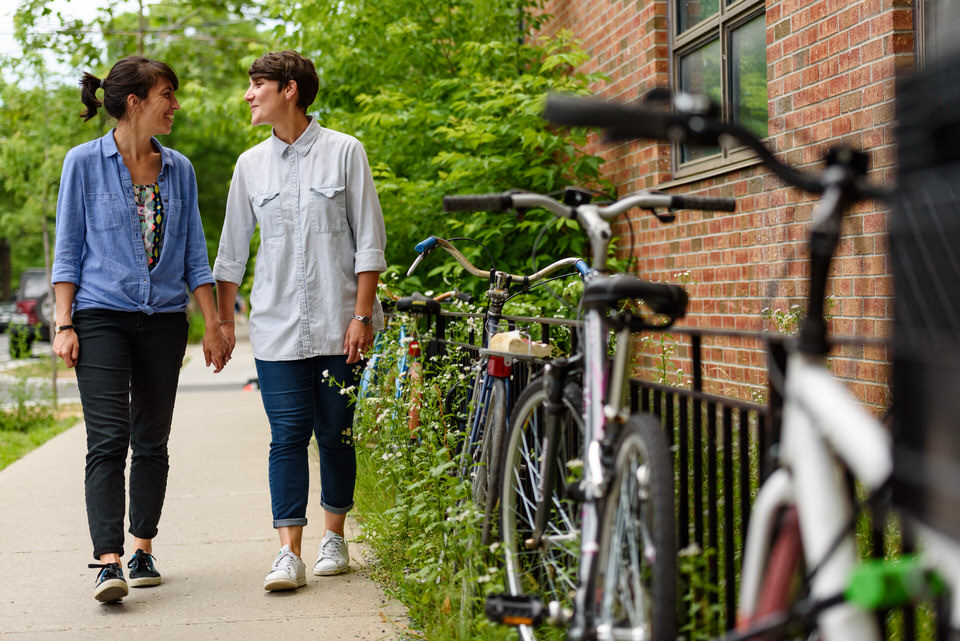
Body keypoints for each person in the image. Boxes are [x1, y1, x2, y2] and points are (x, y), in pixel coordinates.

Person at [52, 56, 230, 603]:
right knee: (108, 439)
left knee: (152, 440)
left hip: (162, 322)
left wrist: (215, 322)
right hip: (100, 316)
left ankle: (142, 547)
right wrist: (63, 323)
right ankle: (108, 562)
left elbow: (195, 255)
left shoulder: (181, 169)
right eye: (167, 95)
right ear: (136, 102)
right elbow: (68, 252)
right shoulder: (82, 164)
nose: (175, 105)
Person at [214, 50, 386, 591]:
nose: (248, 94)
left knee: (335, 433)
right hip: (276, 325)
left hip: (340, 324)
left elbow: (369, 244)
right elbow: (231, 256)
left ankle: (334, 536)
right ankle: (288, 551)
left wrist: (361, 316)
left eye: (257, 84)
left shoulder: (344, 152)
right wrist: (220, 324)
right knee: (286, 436)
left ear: (289, 89)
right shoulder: (249, 166)